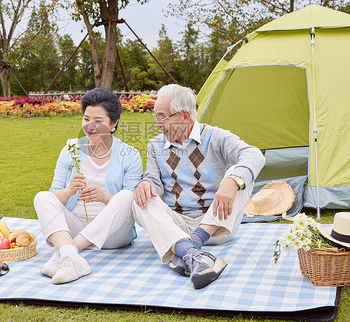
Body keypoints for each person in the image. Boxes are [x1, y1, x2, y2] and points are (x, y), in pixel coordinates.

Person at [133, 84, 265, 289]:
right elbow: (154, 184)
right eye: (155, 117)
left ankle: (188, 247)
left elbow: (254, 155)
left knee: (240, 176)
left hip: (216, 226)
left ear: (184, 116)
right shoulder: (155, 146)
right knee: (139, 199)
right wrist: (145, 183)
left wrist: (233, 181)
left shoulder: (216, 136)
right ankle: (194, 255)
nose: (157, 124)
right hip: (177, 226)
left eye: (162, 117)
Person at [34, 88, 143, 285]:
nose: (90, 126)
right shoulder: (70, 151)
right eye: (86, 119)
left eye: (99, 121)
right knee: (41, 197)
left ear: (114, 123)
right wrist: (69, 191)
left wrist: (104, 197)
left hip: (113, 236)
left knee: (127, 195)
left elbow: (132, 206)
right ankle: (70, 256)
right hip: (74, 227)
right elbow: (52, 198)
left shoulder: (130, 155)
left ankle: (65, 252)